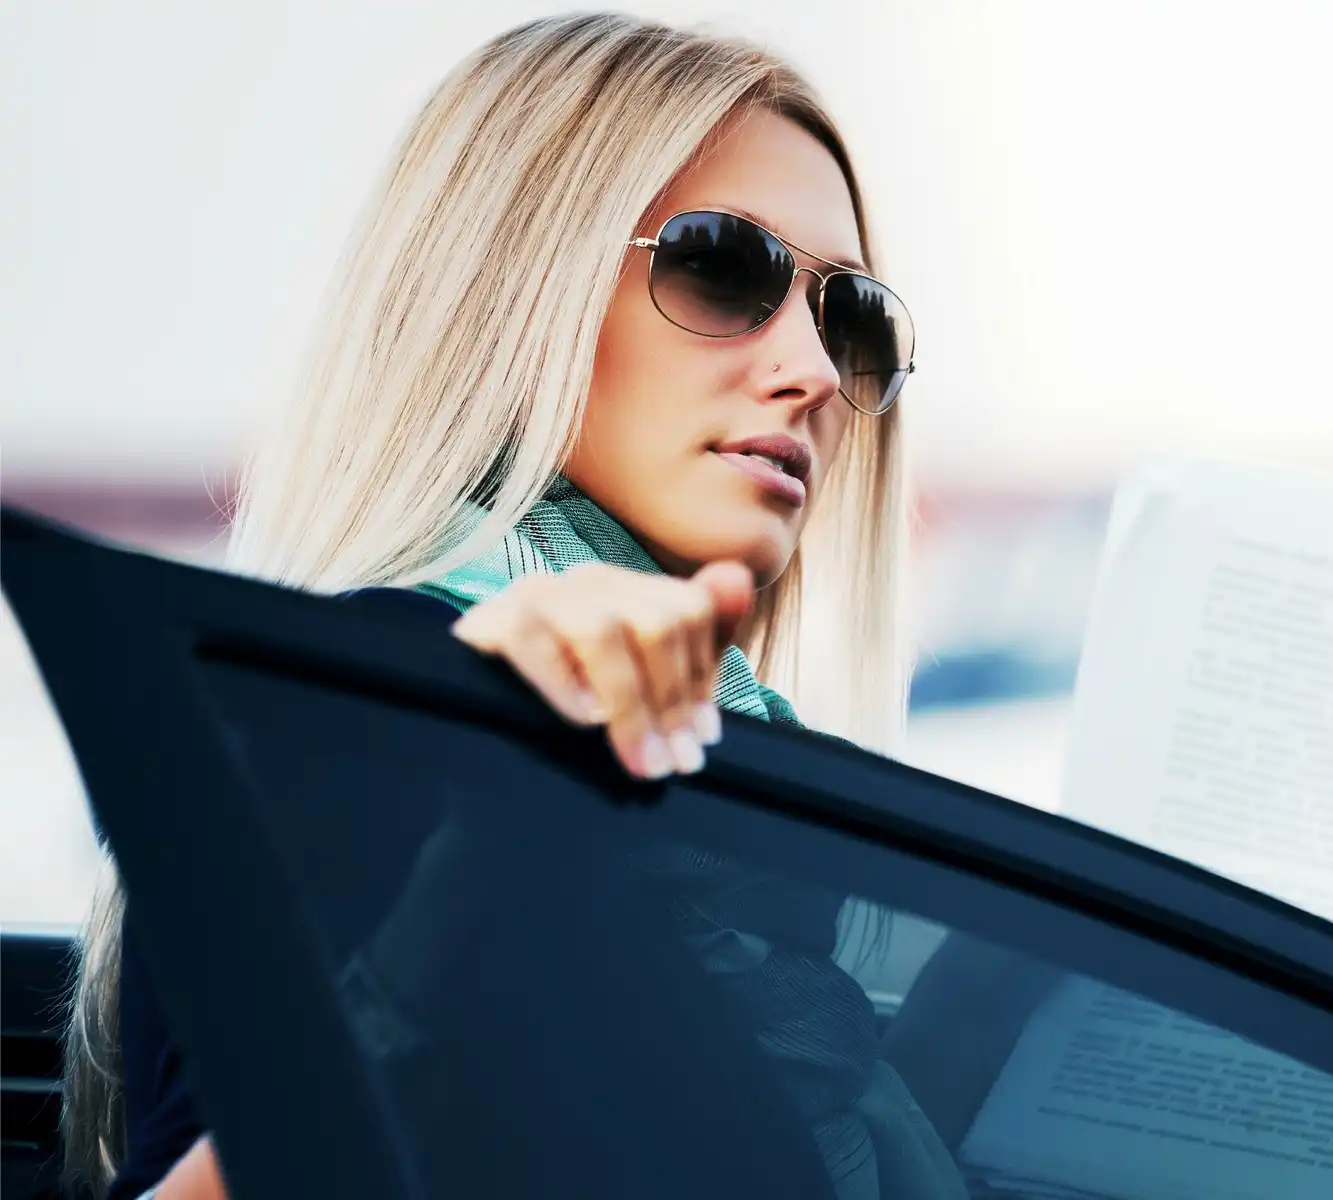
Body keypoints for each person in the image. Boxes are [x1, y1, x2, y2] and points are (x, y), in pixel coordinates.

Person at [60, 12, 944, 1198]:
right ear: (514, 289)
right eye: (724, 267)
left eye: (853, 319)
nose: (816, 372)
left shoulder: (720, 807)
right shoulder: (395, 707)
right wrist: (492, 818)